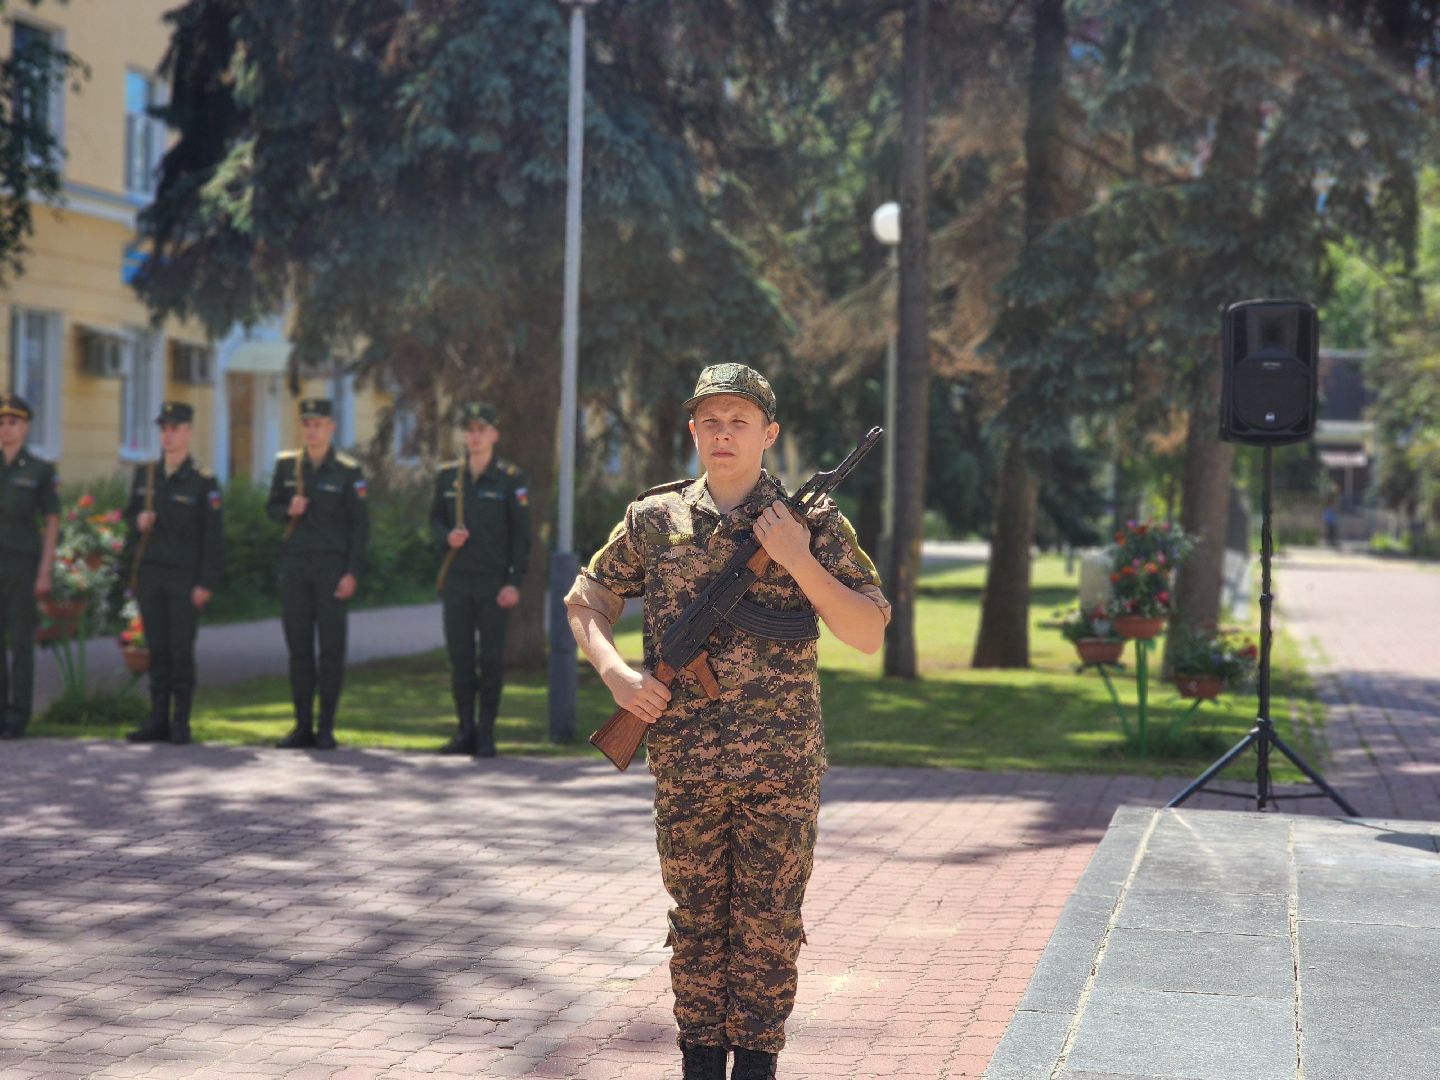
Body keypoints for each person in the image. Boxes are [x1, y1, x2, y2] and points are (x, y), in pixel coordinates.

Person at [564, 364, 890, 1080]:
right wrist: (617, 675)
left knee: (770, 924)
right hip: (685, 762)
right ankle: (702, 1060)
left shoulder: (813, 523)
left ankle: (757, 1065)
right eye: (710, 420)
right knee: (695, 922)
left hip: (781, 766)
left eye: (740, 420)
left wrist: (797, 559)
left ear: (769, 434)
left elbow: (868, 631)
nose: (723, 433)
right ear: (692, 431)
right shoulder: (655, 519)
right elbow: (586, 600)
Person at [266, 397, 368, 750]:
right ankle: (302, 726)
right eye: (307, 424)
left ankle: (326, 728)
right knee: (298, 650)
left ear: (331, 428)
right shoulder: (287, 466)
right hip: (295, 567)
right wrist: (287, 511)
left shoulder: (348, 471)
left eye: (318, 424)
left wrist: (352, 572)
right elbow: (271, 508)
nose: (312, 431)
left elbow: (360, 528)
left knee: (331, 650)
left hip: (331, 569)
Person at [430, 401, 530, 758]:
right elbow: (434, 522)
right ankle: (464, 732)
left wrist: (513, 581)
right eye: (470, 430)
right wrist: (447, 537)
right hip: (457, 582)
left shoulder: (509, 479)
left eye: (481, 430)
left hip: (493, 585)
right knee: (460, 660)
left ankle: (486, 733)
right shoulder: (448, 477)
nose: (475, 436)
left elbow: (521, 537)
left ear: (493, 434)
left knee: (489, 661)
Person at [122, 401, 224, 745]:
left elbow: (213, 537)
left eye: (174, 429)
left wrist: (205, 583)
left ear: (189, 432)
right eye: (163, 429)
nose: (167, 435)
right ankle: (157, 719)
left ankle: (181, 721)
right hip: (151, 575)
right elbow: (129, 518)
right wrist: (138, 522)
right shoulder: (147, 474)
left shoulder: (202, 480)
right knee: (157, 649)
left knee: (181, 650)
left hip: (185, 578)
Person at [0, 393, 59, 740]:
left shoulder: (40, 470)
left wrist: (44, 570)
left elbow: (51, 521)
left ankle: (17, 716)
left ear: (26, 427)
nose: (6, 428)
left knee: (21, 642)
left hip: (23, 564)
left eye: (13, 422)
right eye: (2, 422)